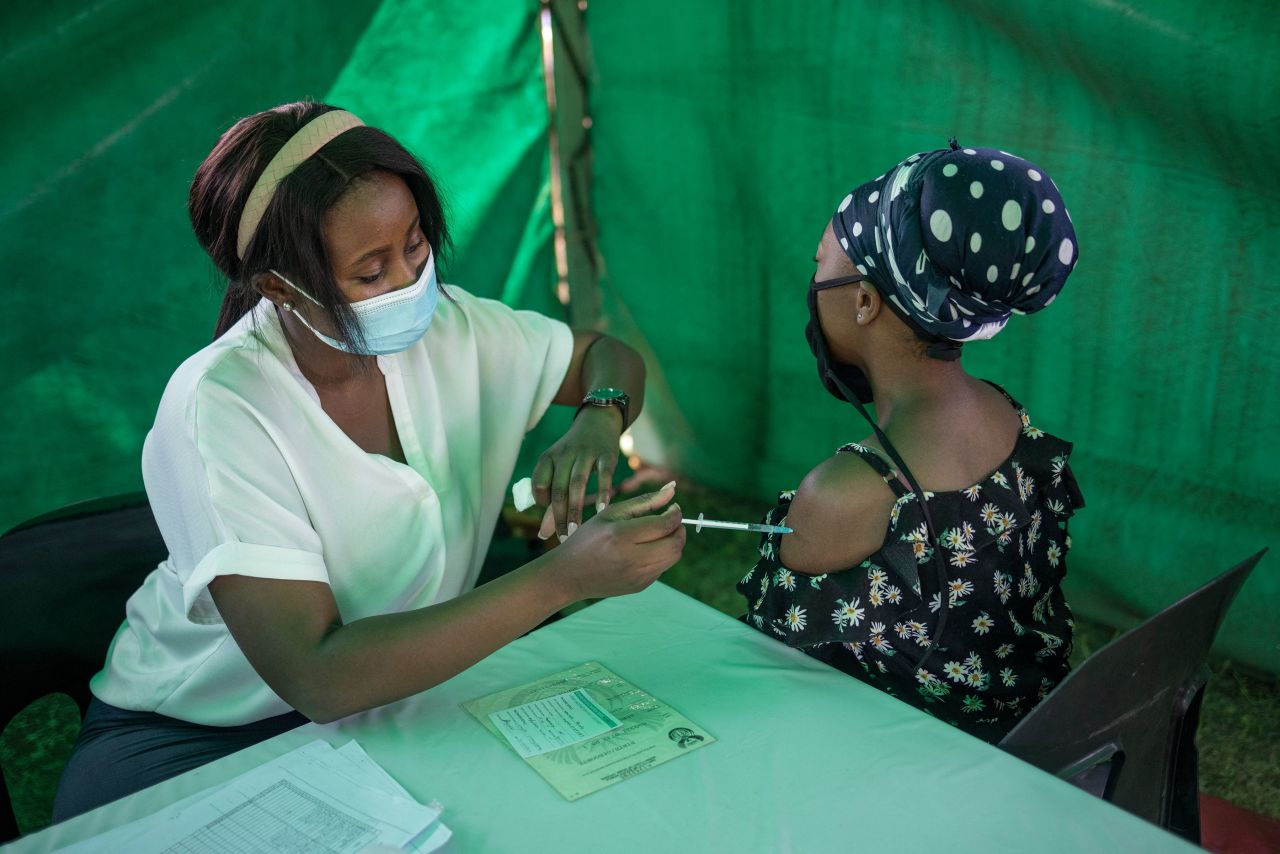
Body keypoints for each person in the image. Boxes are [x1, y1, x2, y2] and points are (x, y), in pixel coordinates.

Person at [54, 102, 686, 818]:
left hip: (397, 700)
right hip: (204, 738)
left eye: (415, 246)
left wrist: (600, 419)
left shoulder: (452, 329)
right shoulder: (220, 409)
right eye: (369, 272)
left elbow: (607, 355)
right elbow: (317, 675)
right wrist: (562, 579)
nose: (411, 284)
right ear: (278, 287)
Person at [738, 141, 1085, 742]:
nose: (814, 282)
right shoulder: (1008, 417)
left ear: (866, 301)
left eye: (822, 263)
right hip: (1021, 745)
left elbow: (767, 669)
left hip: (902, 782)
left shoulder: (847, 494)